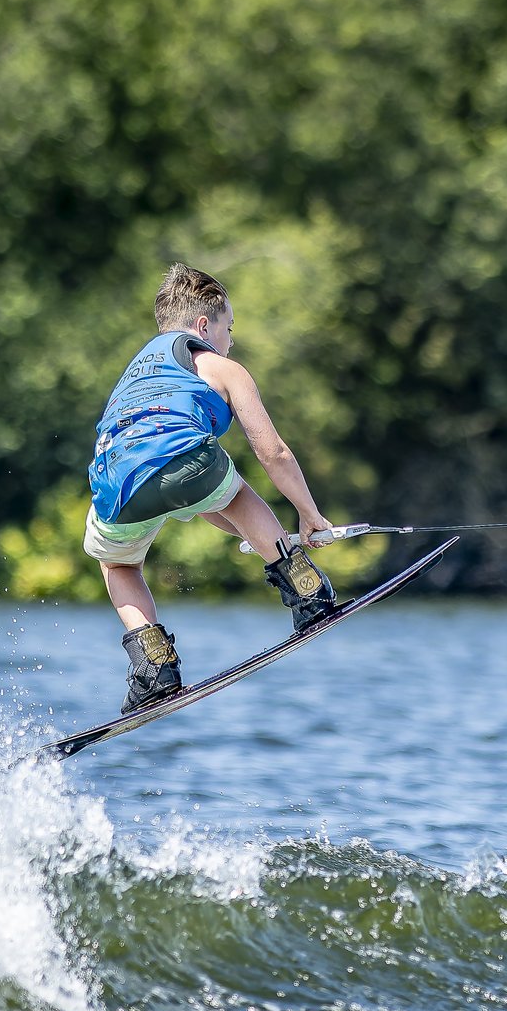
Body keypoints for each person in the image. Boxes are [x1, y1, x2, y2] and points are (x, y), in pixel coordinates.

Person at [85, 263, 339, 714]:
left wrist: (248, 532)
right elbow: (273, 453)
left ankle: (154, 669)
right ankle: (307, 593)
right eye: (229, 328)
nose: (232, 340)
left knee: (119, 566)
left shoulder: (134, 375)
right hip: (189, 462)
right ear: (204, 325)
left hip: (114, 483)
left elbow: (193, 500)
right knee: (239, 494)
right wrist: (308, 514)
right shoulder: (218, 366)